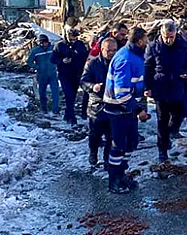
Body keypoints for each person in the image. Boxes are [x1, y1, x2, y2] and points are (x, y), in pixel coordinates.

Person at [104, 27, 149, 194]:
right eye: (146, 40)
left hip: (127, 110)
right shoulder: (125, 59)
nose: (148, 43)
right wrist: (138, 110)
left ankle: (121, 173)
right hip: (118, 110)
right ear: (139, 41)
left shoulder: (135, 56)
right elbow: (121, 93)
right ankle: (113, 180)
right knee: (118, 146)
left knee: (131, 143)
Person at [144, 19, 187, 163]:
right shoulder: (153, 47)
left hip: (177, 85)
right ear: (161, 34)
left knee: (180, 113)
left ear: (176, 33)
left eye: (171, 37)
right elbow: (147, 67)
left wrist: (186, 72)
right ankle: (162, 150)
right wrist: (147, 87)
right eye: (166, 37)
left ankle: (170, 132)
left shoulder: (182, 45)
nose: (169, 40)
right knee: (162, 120)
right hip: (161, 87)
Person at [81, 37, 117, 166]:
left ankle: (107, 159)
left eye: (114, 50)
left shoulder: (118, 63)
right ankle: (93, 152)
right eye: (109, 50)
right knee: (95, 135)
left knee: (111, 136)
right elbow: (83, 81)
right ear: (102, 50)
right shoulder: (93, 63)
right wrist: (93, 87)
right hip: (97, 106)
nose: (111, 53)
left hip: (113, 105)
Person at [51, 29, 89, 125]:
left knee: (73, 96)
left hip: (76, 74)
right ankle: (72, 118)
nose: (74, 40)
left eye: (75, 38)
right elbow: (53, 59)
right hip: (64, 74)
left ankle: (67, 114)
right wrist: (62, 61)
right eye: (72, 38)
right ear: (67, 36)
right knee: (69, 95)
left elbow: (85, 56)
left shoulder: (80, 44)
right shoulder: (59, 45)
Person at [27, 34, 60, 115]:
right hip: (41, 75)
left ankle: (55, 109)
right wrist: (37, 67)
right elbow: (29, 61)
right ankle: (44, 108)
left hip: (52, 73)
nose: (43, 45)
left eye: (44, 42)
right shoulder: (35, 51)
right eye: (41, 43)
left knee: (55, 92)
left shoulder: (53, 48)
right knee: (42, 92)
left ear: (47, 42)